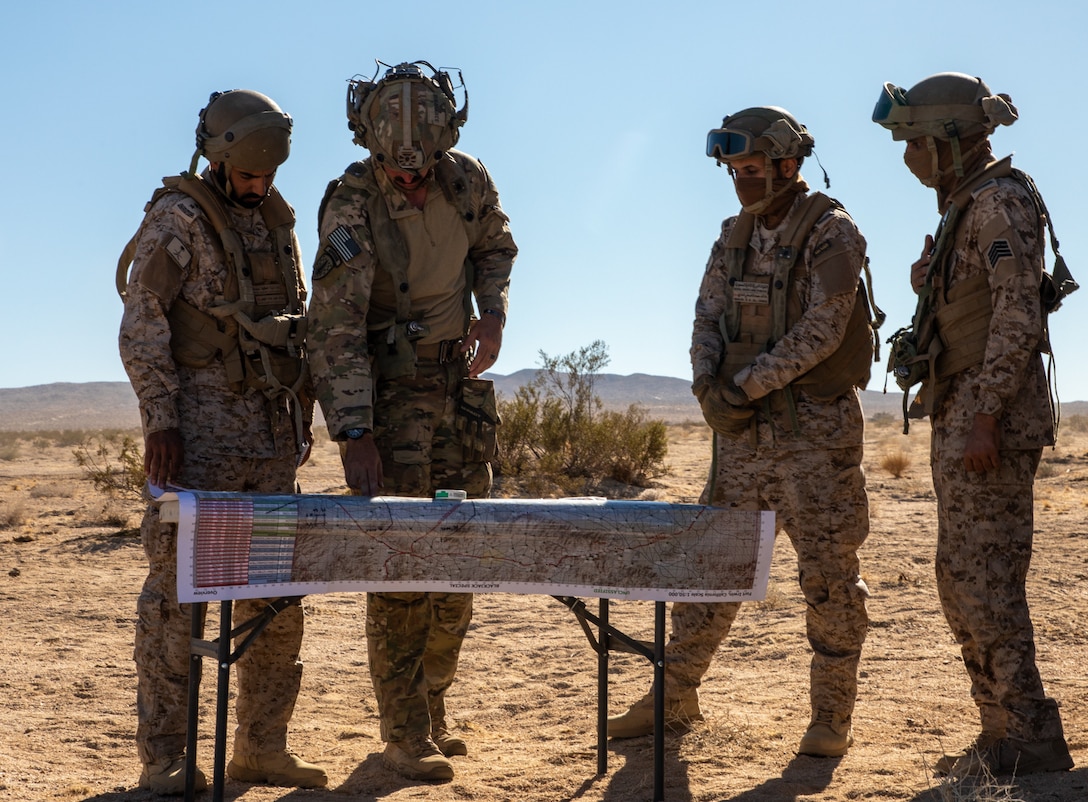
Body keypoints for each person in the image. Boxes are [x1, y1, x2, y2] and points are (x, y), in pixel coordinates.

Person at [608, 106, 875, 759]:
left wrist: (744, 386)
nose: (741, 182)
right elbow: (706, 317)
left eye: (751, 170)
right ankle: (676, 695)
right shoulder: (732, 237)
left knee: (829, 578)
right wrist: (706, 387)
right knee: (712, 571)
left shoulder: (832, 235)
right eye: (734, 171)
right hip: (743, 444)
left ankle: (830, 719)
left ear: (787, 165)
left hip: (815, 438)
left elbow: (825, 328)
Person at [306, 60, 517, 782]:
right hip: (388, 397)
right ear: (370, 144)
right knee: (403, 569)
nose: (412, 180)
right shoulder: (352, 201)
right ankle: (403, 733)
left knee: (458, 563)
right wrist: (354, 433)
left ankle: (433, 709)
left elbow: (496, 247)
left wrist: (492, 315)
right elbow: (332, 325)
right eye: (399, 170)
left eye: (421, 168)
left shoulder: (466, 180)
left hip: (457, 394)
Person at [118, 89, 327, 794]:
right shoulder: (176, 219)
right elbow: (141, 321)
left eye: (266, 175)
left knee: (274, 601)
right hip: (197, 450)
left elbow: (296, 316)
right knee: (176, 604)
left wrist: (302, 401)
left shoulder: (277, 221)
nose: (256, 186)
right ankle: (167, 760)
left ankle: (261, 747)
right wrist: (162, 421)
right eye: (246, 175)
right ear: (217, 156)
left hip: (267, 447)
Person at [872, 72, 1074, 776]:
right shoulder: (968, 206)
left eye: (916, 142)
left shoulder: (999, 205)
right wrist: (928, 281)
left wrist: (986, 413)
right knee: (959, 579)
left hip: (991, 420)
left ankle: (1030, 735)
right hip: (962, 413)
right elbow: (980, 305)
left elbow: (1019, 312)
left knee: (987, 582)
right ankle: (1000, 730)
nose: (909, 158)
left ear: (950, 142)